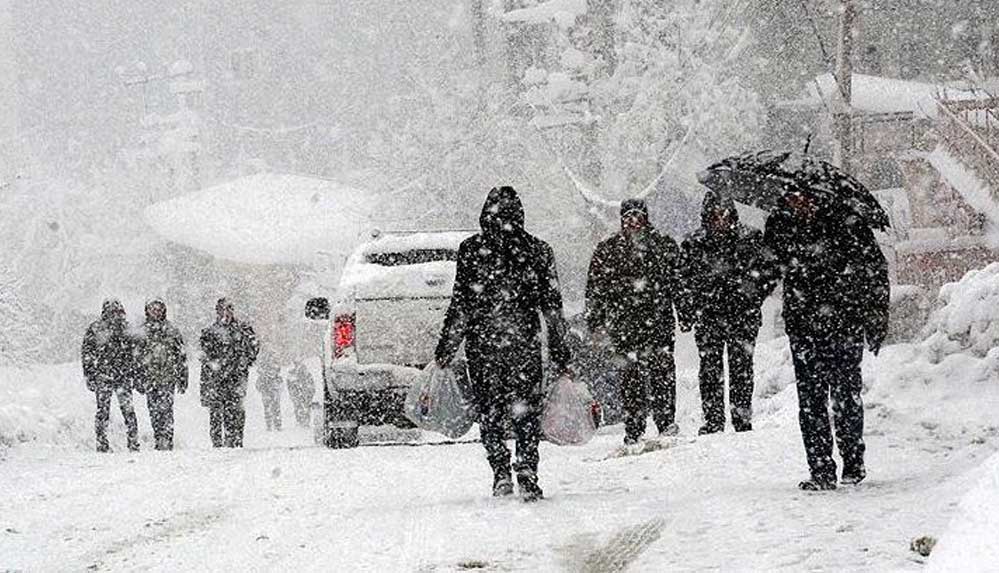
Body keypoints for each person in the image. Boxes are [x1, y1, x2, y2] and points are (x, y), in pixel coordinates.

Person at [435, 186, 572, 502]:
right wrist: (560, 352)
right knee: (526, 412)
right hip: (523, 345)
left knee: (491, 411)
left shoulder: (471, 250)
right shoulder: (537, 250)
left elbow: (462, 305)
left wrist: (447, 346)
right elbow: (552, 308)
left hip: (484, 346)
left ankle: (500, 471)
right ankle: (526, 471)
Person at [761, 189, 889, 491]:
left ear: (816, 196)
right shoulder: (780, 224)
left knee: (845, 395)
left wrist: (875, 318)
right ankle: (820, 469)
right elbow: (767, 269)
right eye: (791, 197)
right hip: (804, 325)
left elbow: (874, 270)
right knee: (811, 400)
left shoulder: (846, 222)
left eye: (803, 197)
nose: (798, 203)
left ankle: (853, 463)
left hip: (844, 322)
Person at [585, 198, 681, 445]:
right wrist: (596, 322)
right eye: (629, 216)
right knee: (631, 379)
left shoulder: (663, 245)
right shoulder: (608, 249)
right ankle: (634, 427)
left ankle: (665, 421)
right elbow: (596, 289)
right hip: (624, 325)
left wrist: (685, 313)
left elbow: (678, 284)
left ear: (646, 218)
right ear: (622, 219)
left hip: (658, 322)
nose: (633, 221)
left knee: (662, 374)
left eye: (638, 216)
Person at [678, 192, 771, 435]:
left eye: (724, 213)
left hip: (742, 315)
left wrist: (752, 297)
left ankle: (741, 418)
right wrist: (690, 309)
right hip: (709, 316)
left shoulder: (750, 239)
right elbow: (683, 280)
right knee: (710, 369)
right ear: (706, 217)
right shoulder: (693, 244)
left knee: (741, 369)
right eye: (715, 215)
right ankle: (713, 420)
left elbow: (767, 273)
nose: (720, 220)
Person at [81, 299, 140, 453]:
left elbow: (136, 354)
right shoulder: (96, 328)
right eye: (112, 311)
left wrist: (135, 373)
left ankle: (132, 443)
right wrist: (89, 374)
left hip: (120, 376)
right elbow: (87, 353)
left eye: (117, 311)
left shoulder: (125, 329)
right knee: (104, 411)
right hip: (105, 376)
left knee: (127, 411)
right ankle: (103, 443)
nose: (115, 314)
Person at [199, 298, 259, 448]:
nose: (225, 313)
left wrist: (245, 360)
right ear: (217, 312)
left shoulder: (243, 329)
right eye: (222, 310)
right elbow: (204, 354)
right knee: (216, 410)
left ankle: (235, 439)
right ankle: (218, 441)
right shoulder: (210, 332)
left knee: (236, 409)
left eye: (228, 310)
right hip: (216, 377)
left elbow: (254, 346)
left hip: (236, 376)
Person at [133, 299, 188, 450]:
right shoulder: (141, 332)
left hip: (167, 378)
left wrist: (183, 377)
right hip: (150, 379)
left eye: (159, 309)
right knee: (154, 411)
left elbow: (181, 355)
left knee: (166, 410)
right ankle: (159, 438)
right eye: (153, 309)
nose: (156, 312)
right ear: (148, 310)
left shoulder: (172, 330)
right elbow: (136, 358)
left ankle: (167, 440)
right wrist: (137, 378)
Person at [255, 354, 283, 431]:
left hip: (270, 393)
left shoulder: (265, 375)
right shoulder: (266, 376)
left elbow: (258, 385)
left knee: (271, 409)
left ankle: (273, 425)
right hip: (270, 393)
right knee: (273, 409)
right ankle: (275, 425)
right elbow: (258, 385)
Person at [286, 360, 316, 428]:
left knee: (302, 407)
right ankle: (303, 422)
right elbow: (289, 384)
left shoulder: (304, 373)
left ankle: (303, 422)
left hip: (303, 393)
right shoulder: (294, 373)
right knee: (302, 407)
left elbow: (311, 384)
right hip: (301, 393)